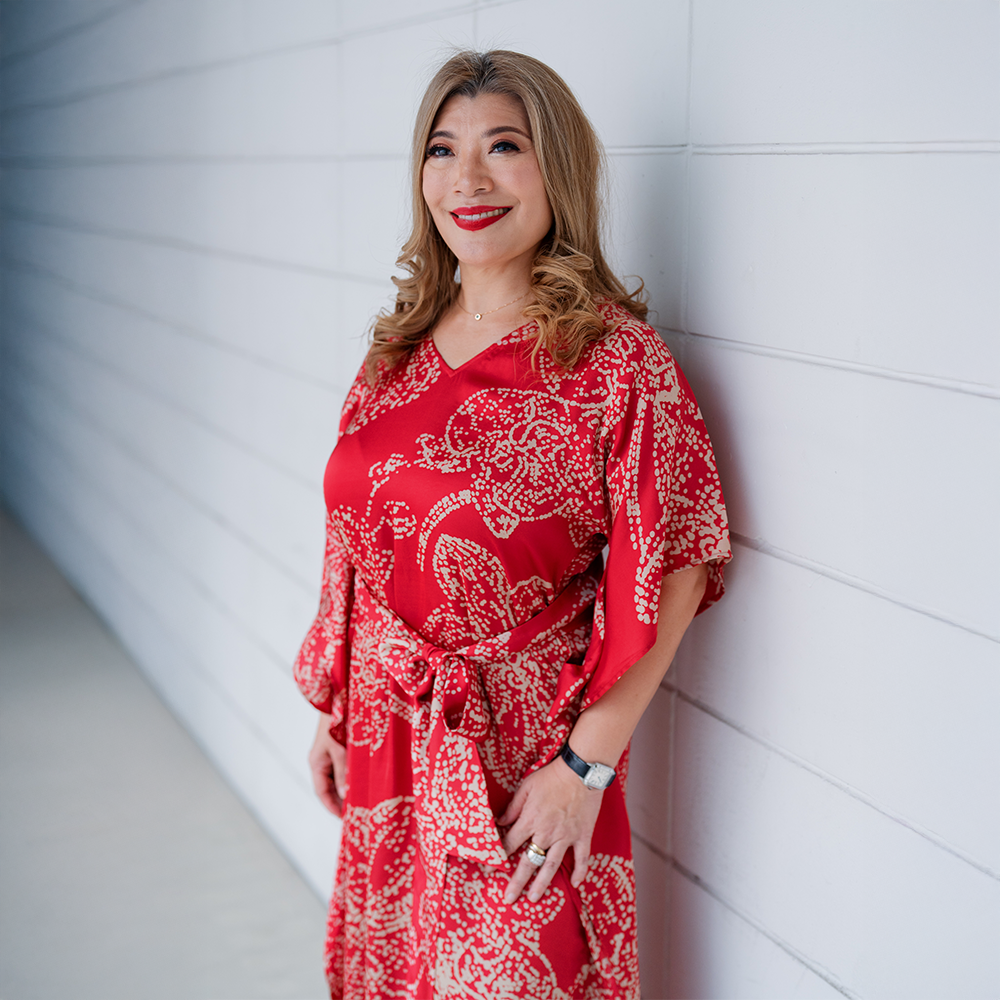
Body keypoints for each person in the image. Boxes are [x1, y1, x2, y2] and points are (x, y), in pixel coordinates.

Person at [294, 49, 731, 1000]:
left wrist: (586, 767)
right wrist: (339, 705)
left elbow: (681, 565)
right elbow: (355, 541)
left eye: (504, 146)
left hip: (523, 751)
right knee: (396, 973)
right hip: (390, 732)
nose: (470, 179)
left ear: (557, 170)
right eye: (443, 150)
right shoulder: (396, 350)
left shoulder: (616, 362)